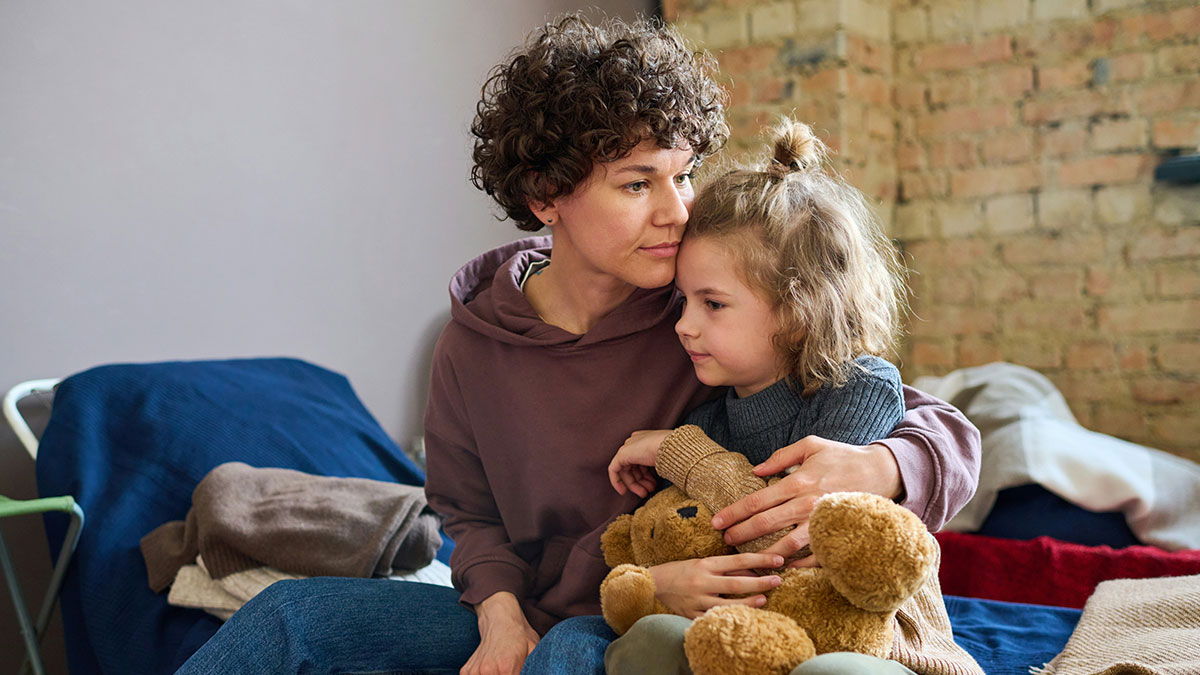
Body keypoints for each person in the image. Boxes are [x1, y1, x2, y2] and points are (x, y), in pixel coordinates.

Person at [175, 15, 979, 675]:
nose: (677, 211)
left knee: (567, 654)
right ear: (545, 196)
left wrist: (880, 466)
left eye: (683, 175)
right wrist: (498, 614)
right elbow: (467, 512)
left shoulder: (704, 313)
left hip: (648, 611)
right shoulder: (471, 346)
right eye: (638, 183)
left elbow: (918, 415)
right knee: (291, 613)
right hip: (538, 606)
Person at [602, 119, 974, 674]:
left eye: (713, 304)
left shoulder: (858, 388)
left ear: (799, 314)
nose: (684, 325)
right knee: (650, 638)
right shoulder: (709, 420)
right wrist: (653, 581)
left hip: (876, 642)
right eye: (684, 301)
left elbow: (793, 539)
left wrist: (680, 454)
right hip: (753, 632)